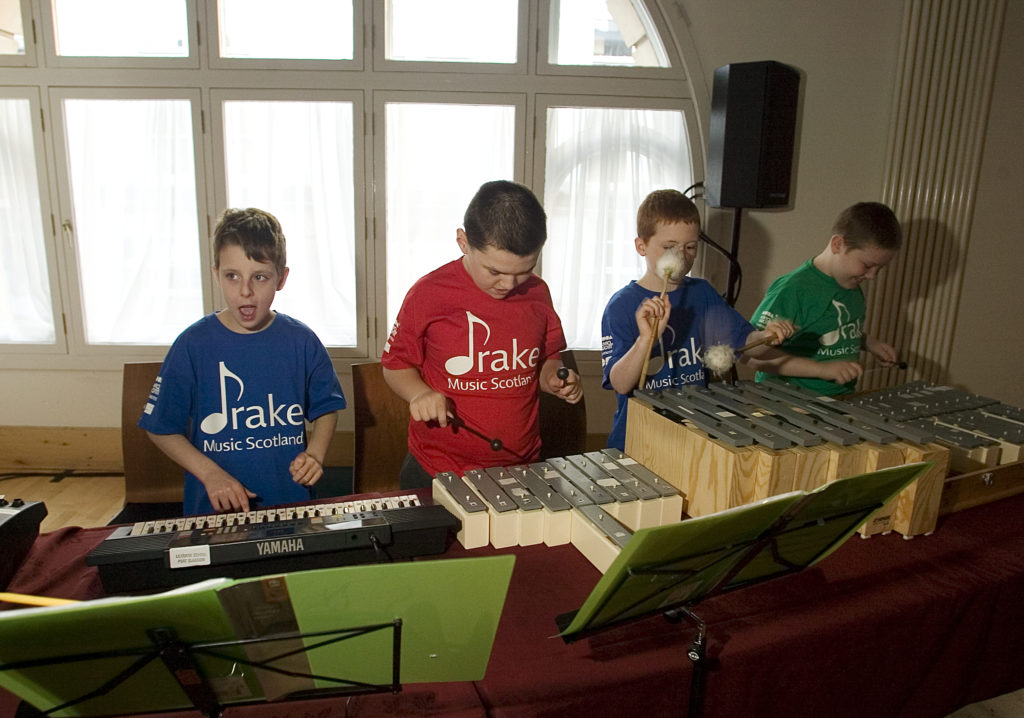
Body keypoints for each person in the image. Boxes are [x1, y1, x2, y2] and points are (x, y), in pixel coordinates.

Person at [140, 208, 346, 516]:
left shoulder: (302, 341)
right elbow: (159, 428)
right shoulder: (192, 346)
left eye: (259, 277)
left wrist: (315, 454)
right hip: (214, 513)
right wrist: (210, 474)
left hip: (291, 507)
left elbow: (327, 408)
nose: (245, 291)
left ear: (281, 278)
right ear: (216, 275)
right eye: (232, 276)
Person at [382, 180, 583, 489]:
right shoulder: (428, 294)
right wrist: (419, 393)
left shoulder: (538, 293)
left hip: (521, 467)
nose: (509, 284)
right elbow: (395, 365)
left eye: (524, 271)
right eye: (495, 271)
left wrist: (555, 378)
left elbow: (546, 360)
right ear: (464, 242)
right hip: (438, 469)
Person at [601, 189, 829, 452]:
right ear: (641, 246)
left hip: (695, 434)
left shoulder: (703, 293)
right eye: (669, 247)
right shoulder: (622, 306)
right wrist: (645, 340)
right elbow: (620, 383)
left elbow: (747, 345)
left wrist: (769, 336)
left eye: (689, 247)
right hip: (638, 440)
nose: (681, 256)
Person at [748, 201, 902, 395]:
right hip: (788, 403)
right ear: (838, 244)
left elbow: (828, 330)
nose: (872, 276)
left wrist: (869, 343)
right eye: (867, 265)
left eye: (880, 268)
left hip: (837, 400)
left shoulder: (851, 285)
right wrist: (822, 370)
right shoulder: (794, 290)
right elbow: (752, 357)